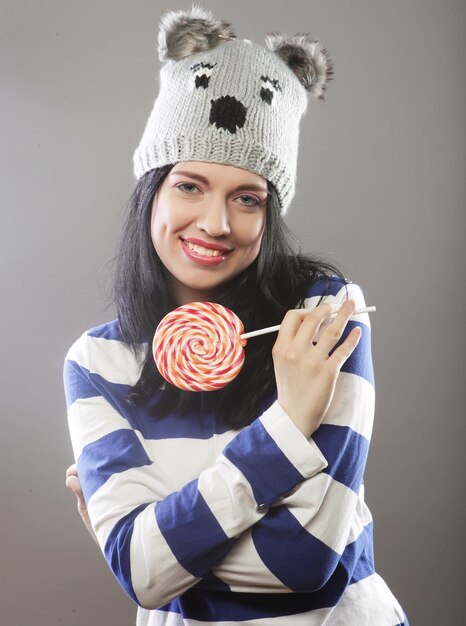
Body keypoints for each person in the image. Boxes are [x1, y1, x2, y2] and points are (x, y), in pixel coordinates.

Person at [63, 5, 410, 625]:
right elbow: (141, 572)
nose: (217, 224)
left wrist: (158, 550)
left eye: (247, 198)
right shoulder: (99, 361)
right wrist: (289, 424)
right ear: (152, 190)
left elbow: (303, 560)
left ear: (269, 216)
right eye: (189, 185)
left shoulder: (322, 320)